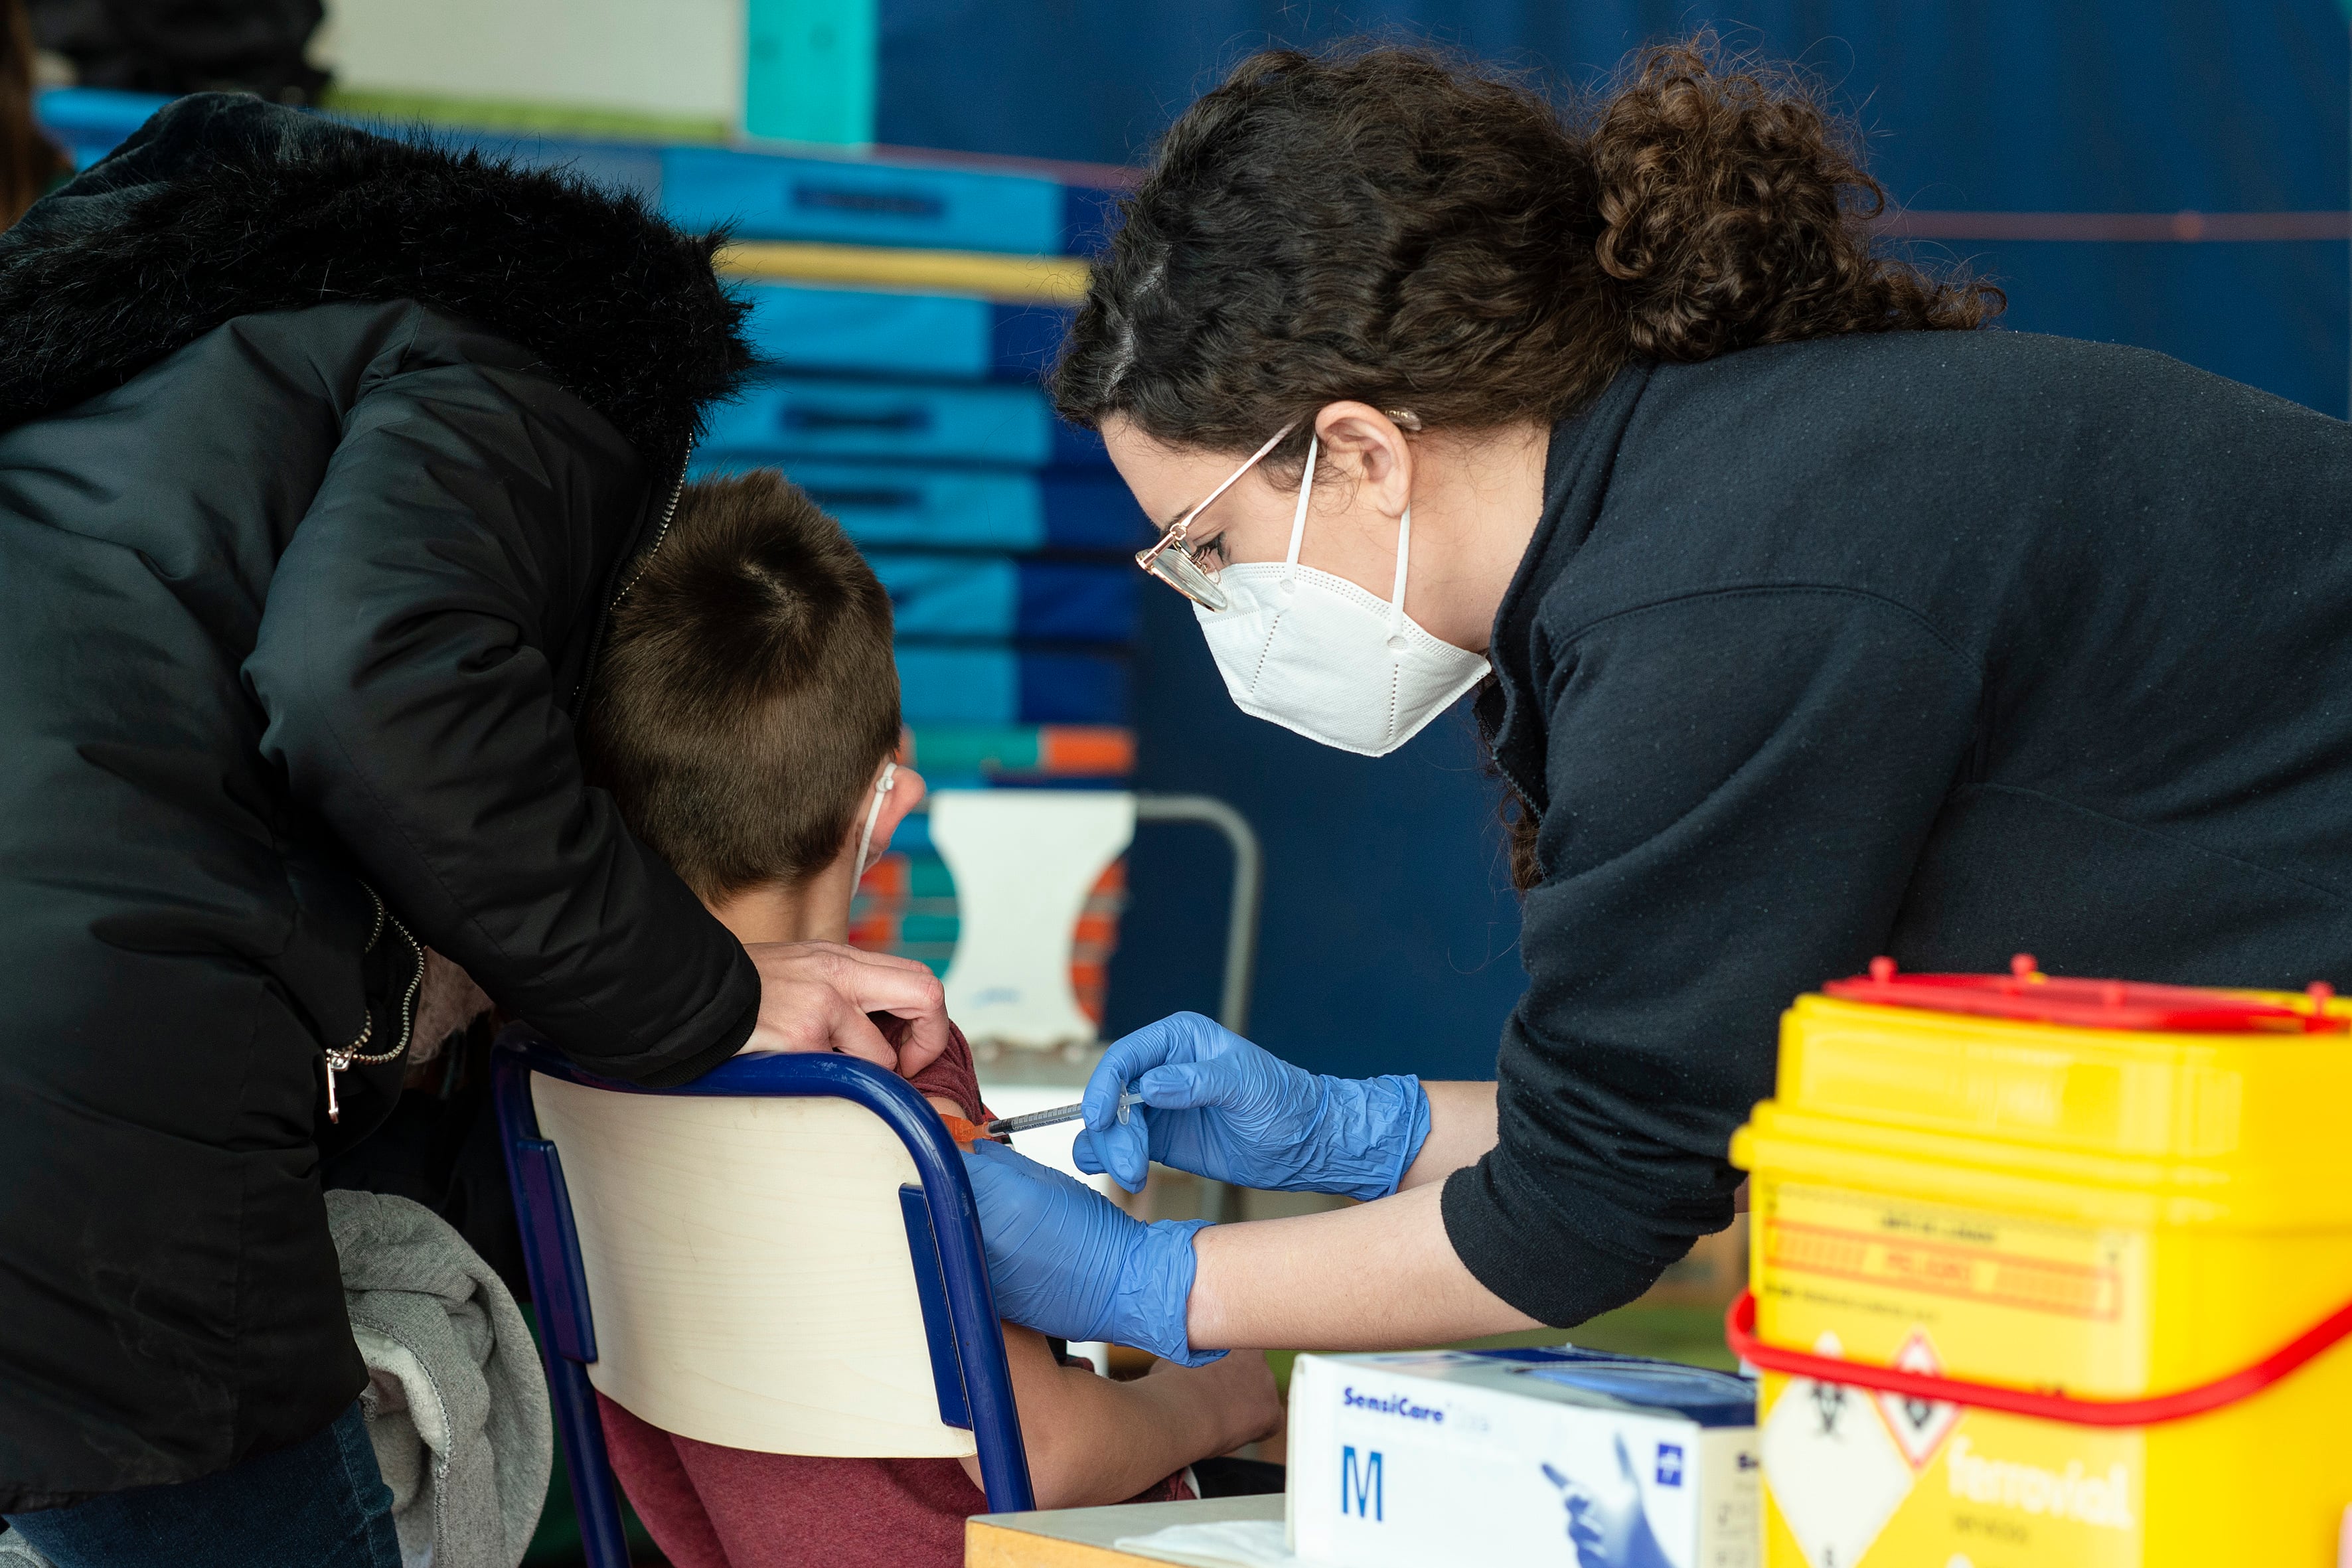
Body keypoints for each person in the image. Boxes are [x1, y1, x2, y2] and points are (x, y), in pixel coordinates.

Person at [955, 39, 2352, 1372]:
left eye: (1205, 543)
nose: (1206, 594)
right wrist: (1359, 1131)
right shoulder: (1684, 511)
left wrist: (1154, 1283)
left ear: (1362, 451)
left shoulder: (1714, 600)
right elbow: (1672, 1121)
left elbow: (1582, 1214)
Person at [0, 98, 945, 1561]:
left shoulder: (147, 390)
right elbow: (366, 679)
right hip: (86, 1053)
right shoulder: (542, 352)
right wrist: (711, 992)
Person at [568, 471, 1283, 1568]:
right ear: (887, 798)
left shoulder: (566, 1057)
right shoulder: (886, 1065)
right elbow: (1038, 1458)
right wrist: (1220, 1399)